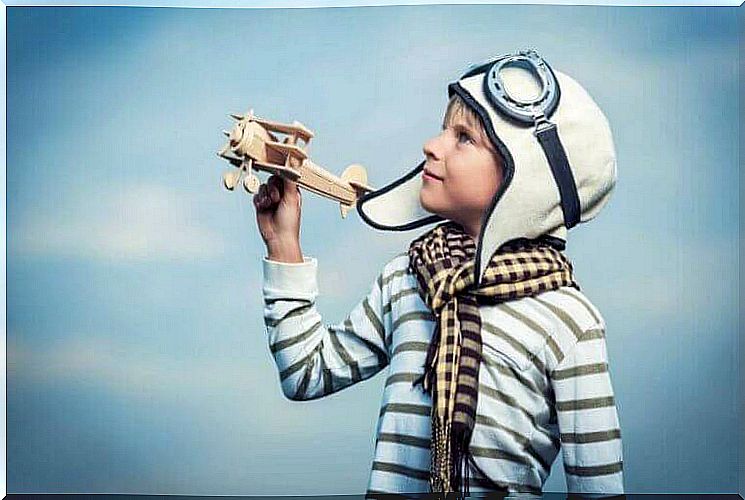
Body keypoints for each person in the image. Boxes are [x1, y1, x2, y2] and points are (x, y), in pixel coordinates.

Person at [254, 48, 624, 497]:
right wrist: (284, 246)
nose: (432, 144)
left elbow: (600, 489)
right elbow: (305, 374)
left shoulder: (571, 322)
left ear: (523, 179)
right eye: (444, 129)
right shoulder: (405, 280)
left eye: (464, 138)